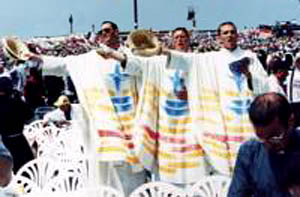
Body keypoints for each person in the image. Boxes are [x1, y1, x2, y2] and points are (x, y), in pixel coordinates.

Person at [106, 21, 270, 177]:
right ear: (219, 37)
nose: (229, 36)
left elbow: (264, 85)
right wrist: (115, 54)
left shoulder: (245, 57)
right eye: (225, 33)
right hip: (172, 124)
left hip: (231, 119)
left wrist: (248, 75)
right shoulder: (199, 59)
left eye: (232, 32)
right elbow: (142, 66)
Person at [12, 21, 147, 196]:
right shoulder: (89, 60)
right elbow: (63, 65)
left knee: (131, 178)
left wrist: (115, 55)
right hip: (102, 126)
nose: (104, 34)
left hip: (131, 123)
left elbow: (141, 70)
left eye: (107, 30)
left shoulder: (130, 56)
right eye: (101, 31)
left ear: (116, 32)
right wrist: (34, 58)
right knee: (105, 177)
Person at [104, 27, 209, 188]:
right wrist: (114, 55)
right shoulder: (160, 62)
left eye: (183, 37)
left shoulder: (200, 61)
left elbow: (212, 89)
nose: (180, 40)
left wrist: (192, 94)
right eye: (177, 37)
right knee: (167, 177)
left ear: (189, 39)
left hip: (192, 123)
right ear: (173, 41)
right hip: (167, 125)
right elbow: (137, 65)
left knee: (195, 174)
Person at [228, 92, 300, 196]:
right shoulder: (250, 152)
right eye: (261, 138)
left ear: (291, 122)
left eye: (275, 138)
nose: (268, 145)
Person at [0, 76, 34, 172]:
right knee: (26, 170)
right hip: (20, 140)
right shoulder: (16, 101)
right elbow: (29, 116)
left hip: (4, 142)